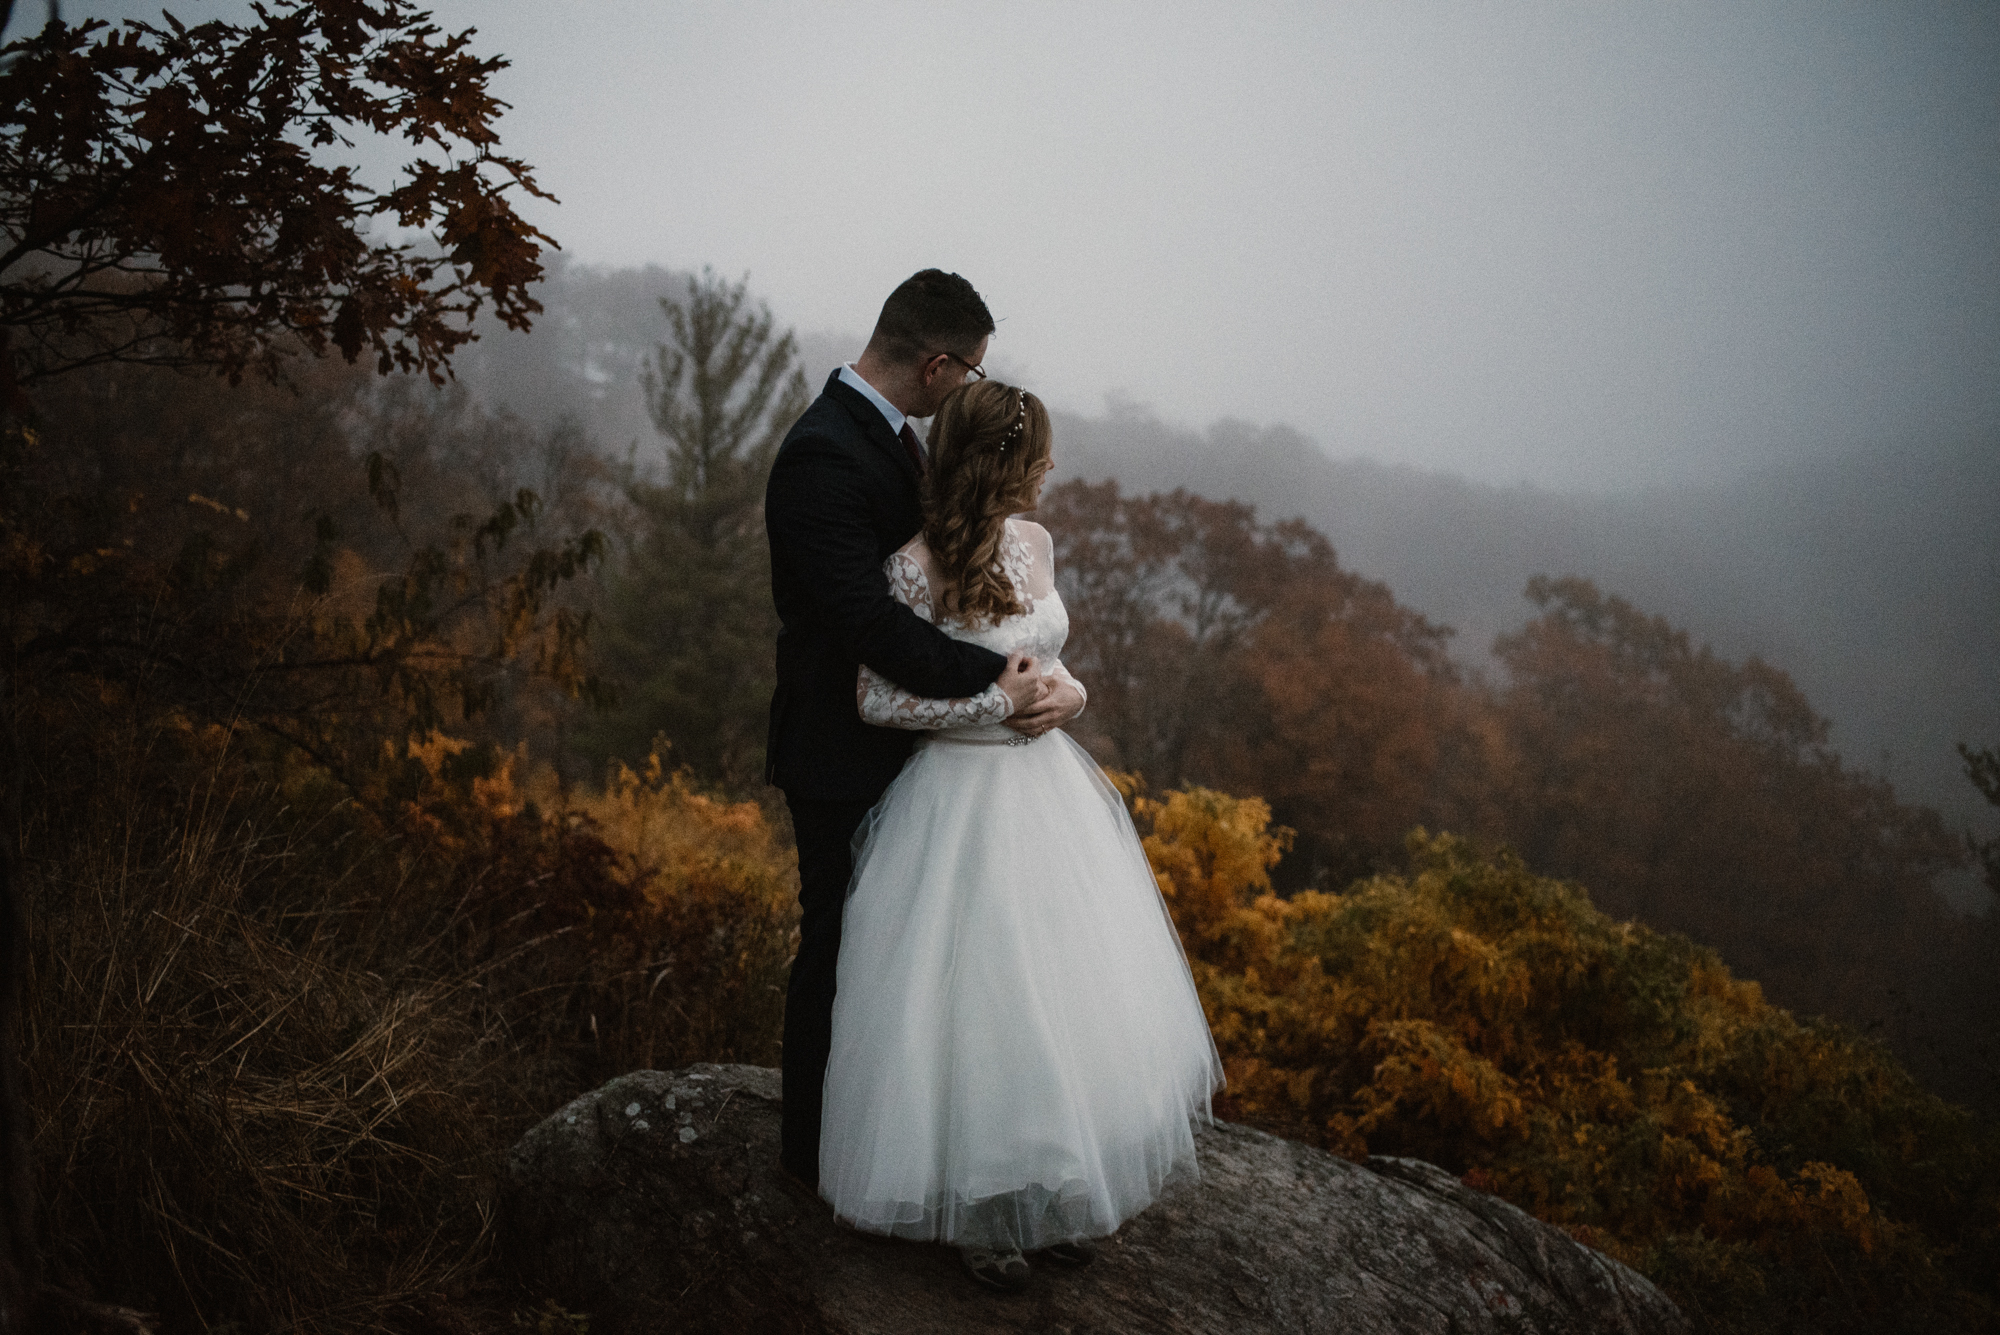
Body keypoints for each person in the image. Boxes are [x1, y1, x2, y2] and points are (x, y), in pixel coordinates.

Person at [818, 379, 1224, 1291]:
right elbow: (876, 698)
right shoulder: (914, 567)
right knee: (978, 998)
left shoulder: (1036, 543)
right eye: (1039, 452)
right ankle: (979, 1211)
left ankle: (1041, 1195)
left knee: (1058, 992)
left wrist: (1070, 694)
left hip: (1048, 793)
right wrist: (994, 701)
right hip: (958, 798)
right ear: (1003, 460)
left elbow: (1053, 658)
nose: (1051, 466)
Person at [763, 270, 1069, 1191]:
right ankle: (818, 1160)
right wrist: (1006, 682)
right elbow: (875, 625)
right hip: (841, 753)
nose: (973, 387)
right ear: (938, 365)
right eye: (971, 370)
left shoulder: (897, 443)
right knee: (842, 954)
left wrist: (1053, 684)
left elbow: (974, 587)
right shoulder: (824, 454)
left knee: (926, 963)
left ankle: (925, 1145)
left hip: (930, 751)